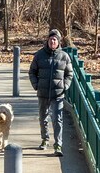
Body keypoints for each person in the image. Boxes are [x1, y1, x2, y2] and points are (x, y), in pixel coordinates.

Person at [28, 28, 73, 156]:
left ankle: (58, 144)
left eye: (55, 40)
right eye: (51, 39)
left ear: (58, 42)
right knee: (43, 117)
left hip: (58, 93)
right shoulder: (39, 55)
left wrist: (65, 85)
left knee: (57, 119)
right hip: (42, 92)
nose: (52, 41)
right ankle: (45, 139)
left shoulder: (64, 56)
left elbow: (69, 73)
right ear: (47, 40)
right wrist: (36, 85)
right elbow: (32, 72)